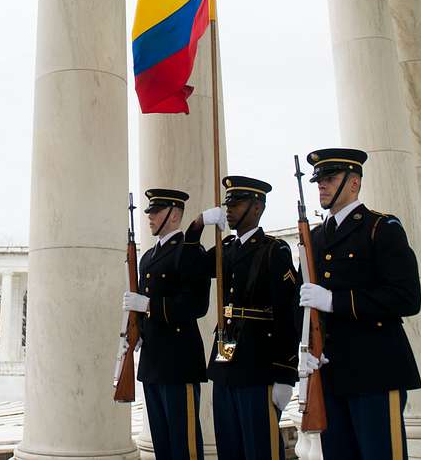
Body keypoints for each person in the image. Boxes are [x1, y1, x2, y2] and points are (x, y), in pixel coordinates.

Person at [298, 148, 421, 460]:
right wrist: (304, 352)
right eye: (318, 180)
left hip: (375, 369)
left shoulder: (381, 228)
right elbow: (304, 309)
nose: (321, 186)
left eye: (330, 178)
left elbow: (407, 297)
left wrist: (334, 301)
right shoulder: (314, 238)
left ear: (354, 183)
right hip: (330, 373)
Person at [189, 176, 299, 460]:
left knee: (259, 446)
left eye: (236, 204)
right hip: (226, 354)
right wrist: (199, 223)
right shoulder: (227, 249)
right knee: (230, 444)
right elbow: (190, 266)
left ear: (257, 207)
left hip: (258, 360)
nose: (229, 209)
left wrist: (286, 374)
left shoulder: (274, 250)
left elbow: (289, 314)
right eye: (228, 204)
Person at [121, 189, 210, 460]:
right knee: (162, 442)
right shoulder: (147, 256)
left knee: (184, 444)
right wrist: (135, 332)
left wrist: (147, 305)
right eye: (149, 212)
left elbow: (196, 306)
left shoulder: (189, 252)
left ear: (173, 215)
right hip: (153, 362)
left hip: (178, 361)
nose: (150, 217)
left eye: (156, 212)